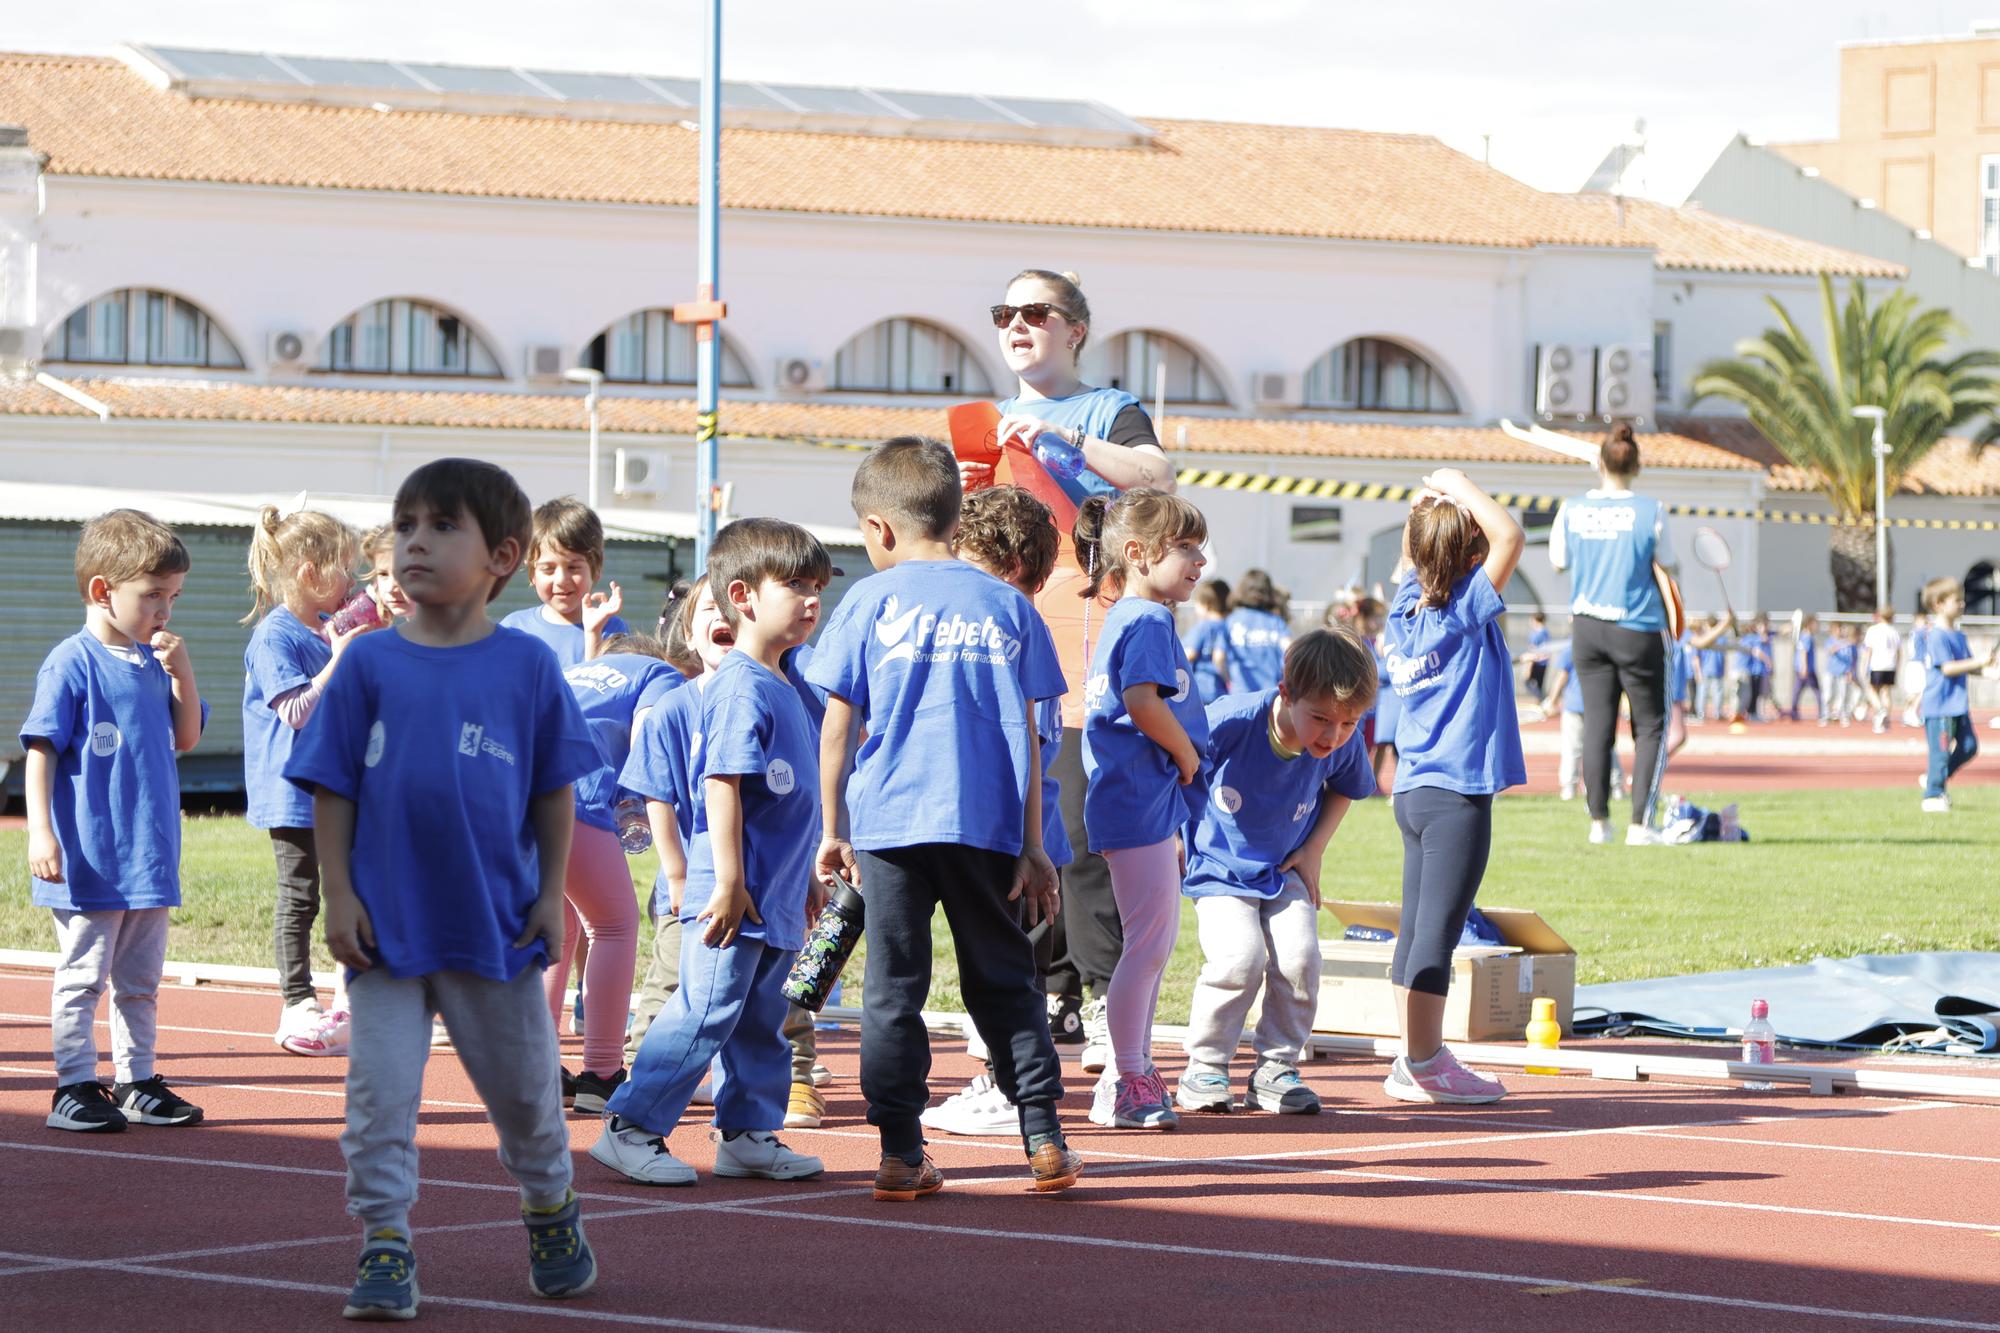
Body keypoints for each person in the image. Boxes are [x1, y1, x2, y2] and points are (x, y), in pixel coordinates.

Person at [284, 459, 605, 1317]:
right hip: (384, 935)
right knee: (378, 1097)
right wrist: (340, 893)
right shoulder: (365, 664)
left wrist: (547, 896)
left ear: (502, 555)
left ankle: (550, 1207)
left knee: (530, 1102)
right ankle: (384, 1240)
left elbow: (553, 789)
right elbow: (331, 787)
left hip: (492, 928)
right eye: (405, 524)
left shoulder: (528, 667)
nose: (413, 541)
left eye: (440, 525)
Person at [810, 439, 1080, 1200]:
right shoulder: (1006, 604)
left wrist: (832, 829)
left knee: (893, 989)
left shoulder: (868, 598)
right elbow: (1031, 736)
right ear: (957, 515)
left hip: (890, 824)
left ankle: (899, 1151)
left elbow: (837, 725)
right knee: (1002, 981)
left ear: (879, 529)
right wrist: (1033, 845)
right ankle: (1045, 1140)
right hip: (987, 823)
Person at [977, 268, 1176, 1079]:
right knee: (1021, 833)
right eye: (1004, 313)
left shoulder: (1111, 409)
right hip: (1005, 643)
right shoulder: (985, 421)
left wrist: (1067, 446)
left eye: (1035, 312)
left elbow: (1156, 478)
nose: (1017, 324)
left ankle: (1102, 996)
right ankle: (1038, 993)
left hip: (1087, 633)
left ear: (1076, 329)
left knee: (1084, 834)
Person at [591, 519, 831, 1189]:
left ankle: (748, 1132)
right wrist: (726, 878)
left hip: (775, 897)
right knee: (704, 1010)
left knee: (762, 1022)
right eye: (795, 584)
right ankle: (630, 1127)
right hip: (733, 897)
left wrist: (805, 876)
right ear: (743, 595)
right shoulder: (741, 686)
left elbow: (793, 799)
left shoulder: (788, 687)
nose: (812, 598)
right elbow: (720, 782)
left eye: (819, 585)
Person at [25, 508, 207, 1134]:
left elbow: (186, 737)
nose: (165, 610)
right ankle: (73, 1085)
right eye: (152, 595)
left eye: (173, 596)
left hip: (148, 856)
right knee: (83, 978)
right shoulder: (71, 662)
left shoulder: (156, 663)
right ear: (103, 591)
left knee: (140, 981)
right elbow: (40, 750)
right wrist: (42, 830)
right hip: (90, 856)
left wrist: (182, 669)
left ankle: (137, 1080)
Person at [1176, 629, 1376, 1117]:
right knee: (1240, 958)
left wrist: (1315, 849)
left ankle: (1275, 1068)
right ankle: (1204, 1065)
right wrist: (1174, 840)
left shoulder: (1340, 741)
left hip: (1284, 865)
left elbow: (1348, 786)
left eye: (1350, 723)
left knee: (1301, 958)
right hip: (1221, 867)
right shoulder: (1230, 721)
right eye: (1322, 719)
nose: (1333, 736)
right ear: (1286, 693)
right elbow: (1180, 770)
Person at [923, 483, 1070, 1138]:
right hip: (990, 828)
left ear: (1010, 567)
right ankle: (1004, 1083)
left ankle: (1011, 1089)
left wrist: (1028, 841)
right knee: (996, 963)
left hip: (1012, 833)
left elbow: (1031, 744)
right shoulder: (1007, 624)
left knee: (1010, 965)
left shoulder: (1011, 627)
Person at [1381, 469, 1524, 1104]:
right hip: (1457, 793)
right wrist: (1460, 485)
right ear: (1469, 557)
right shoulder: (1464, 606)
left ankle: (1408, 1055)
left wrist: (1428, 506)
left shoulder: (1402, 607)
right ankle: (1426, 1061)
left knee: (1414, 929)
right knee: (1438, 933)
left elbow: (1413, 554)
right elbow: (1511, 535)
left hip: (1413, 790)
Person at [1076, 487, 1212, 1131]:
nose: (1199, 561)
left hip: (1134, 801)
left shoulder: (1127, 618)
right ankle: (1127, 1076)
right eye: (1185, 547)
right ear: (1137, 553)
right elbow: (1142, 701)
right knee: (1150, 945)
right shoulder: (1149, 620)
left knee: (1150, 943)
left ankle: (1129, 1070)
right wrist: (1186, 756)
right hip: (1137, 801)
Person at [241, 504, 372, 1057]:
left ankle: (356, 999)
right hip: (291, 791)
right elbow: (295, 710)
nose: (353, 579)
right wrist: (339, 660)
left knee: (356, 891)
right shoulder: (275, 636)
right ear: (309, 573)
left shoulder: (327, 628)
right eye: (344, 567)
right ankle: (297, 999)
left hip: (338, 787)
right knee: (300, 896)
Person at [551, 633, 680, 1114]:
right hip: (574, 796)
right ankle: (602, 1072)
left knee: (556, 931)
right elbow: (652, 733)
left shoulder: (573, 673)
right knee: (612, 926)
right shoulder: (656, 674)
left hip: (510, 795)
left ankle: (538, 1068)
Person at [1547, 422, 1673, 845]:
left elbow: (1558, 561)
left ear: (1599, 463)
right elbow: (1667, 563)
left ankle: (1599, 822)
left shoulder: (1572, 507)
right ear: (1636, 466)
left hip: (1587, 627)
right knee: (1651, 726)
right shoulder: (1651, 509)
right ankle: (1641, 823)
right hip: (1637, 626)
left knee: (1598, 723)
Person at [621, 579, 723, 1069]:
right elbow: (655, 790)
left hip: (764, 882)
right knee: (671, 976)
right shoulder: (674, 705)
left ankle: (791, 1067)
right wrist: (678, 875)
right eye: (710, 607)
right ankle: (638, 1065)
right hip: (691, 884)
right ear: (688, 626)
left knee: (769, 989)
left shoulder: (778, 695)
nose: (724, 616)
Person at [502, 497, 629, 667]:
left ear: (596, 567)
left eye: (574, 568)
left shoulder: (612, 630)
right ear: (532, 573)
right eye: (548, 569)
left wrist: (593, 633)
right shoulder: (514, 629)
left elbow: (600, 692)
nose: (561, 580)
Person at [1917, 577, 1995, 812]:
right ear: (1938, 604)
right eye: (1956, 600)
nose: (1962, 604)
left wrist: (1987, 670)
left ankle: (1934, 780)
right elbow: (1949, 668)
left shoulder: (1959, 636)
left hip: (1958, 705)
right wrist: (1978, 661)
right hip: (1939, 706)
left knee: (1969, 746)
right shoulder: (1937, 635)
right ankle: (1932, 795)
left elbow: (1968, 666)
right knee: (1940, 753)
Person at [1540, 641, 1624, 802]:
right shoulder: (1606, 645)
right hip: (1598, 704)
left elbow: (1562, 676)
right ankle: (1616, 786)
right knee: (1606, 746)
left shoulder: (1571, 648)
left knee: (1572, 748)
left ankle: (1569, 787)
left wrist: (1552, 700)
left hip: (1575, 705)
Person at [1223, 569, 1292, 695]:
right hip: (1270, 694)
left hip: (1239, 694)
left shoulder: (1231, 621)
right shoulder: (1275, 622)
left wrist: (1227, 680)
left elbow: (1219, 657)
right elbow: (1291, 651)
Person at [1184, 578, 1231, 705]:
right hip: (1222, 692)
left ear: (1206, 605)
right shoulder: (1229, 626)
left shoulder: (1203, 627)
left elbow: (1188, 654)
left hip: (1201, 691)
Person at [1862, 606, 1901, 733]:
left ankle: (1880, 710)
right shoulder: (1894, 631)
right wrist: (1897, 667)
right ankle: (1885, 721)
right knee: (1886, 692)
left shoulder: (1873, 630)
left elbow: (1868, 650)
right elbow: (1899, 652)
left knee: (1871, 690)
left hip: (1877, 664)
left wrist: (1864, 666)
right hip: (1890, 665)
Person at [1738, 614, 1774, 723]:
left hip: (1762, 671)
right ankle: (1751, 713)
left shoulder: (1766, 637)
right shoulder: (1753, 638)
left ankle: (1754, 712)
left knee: (1758, 693)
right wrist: (1768, 661)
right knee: (1752, 693)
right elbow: (1757, 652)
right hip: (1754, 670)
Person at [1787, 614, 1823, 722]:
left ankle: (1794, 712)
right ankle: (1822, 713)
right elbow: (1803, 652)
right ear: (1809, 625)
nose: (1817, 627)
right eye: (1815, 624)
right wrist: (1804, 667)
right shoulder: (1807, 637)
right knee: (1817, 692)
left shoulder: (1804, 636)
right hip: (1806, 669)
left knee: (1797, 691)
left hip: (1803, 668)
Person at [1693, 615, 1727, 723]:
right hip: (1706, 670)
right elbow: (1696, 657)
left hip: (1717, 670)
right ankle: (1701, 713)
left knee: (1717, 693)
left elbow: (1724, 656)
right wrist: (1698, 672)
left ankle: (1717, 712)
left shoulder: (1721, 639)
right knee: (1703, 692)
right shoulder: (1702, 638)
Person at [1825, 623, 1859, 727]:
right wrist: (1842, 644)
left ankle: (1844, 715)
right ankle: (1827, 715)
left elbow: (1852, 659)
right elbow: (1831, 650)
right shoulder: (1830, 641)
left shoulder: (1849, 644)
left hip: (1844, 672)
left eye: (1840, 629)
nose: (1840, 631)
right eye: (1837, 629)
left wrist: (1850, 671)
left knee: (1844, 695)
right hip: (1831, 671)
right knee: (1828, 695)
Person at [1522, 611, 1552, 697]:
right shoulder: (1546, 632)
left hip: (1536, 662)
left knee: (1527, 682)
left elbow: (1532, 651)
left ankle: (1543, 700)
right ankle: (1543, 700)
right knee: (1539, 685)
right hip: (1544, 662)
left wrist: (1528, 667)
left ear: (1535, 620)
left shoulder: (1535, 634)